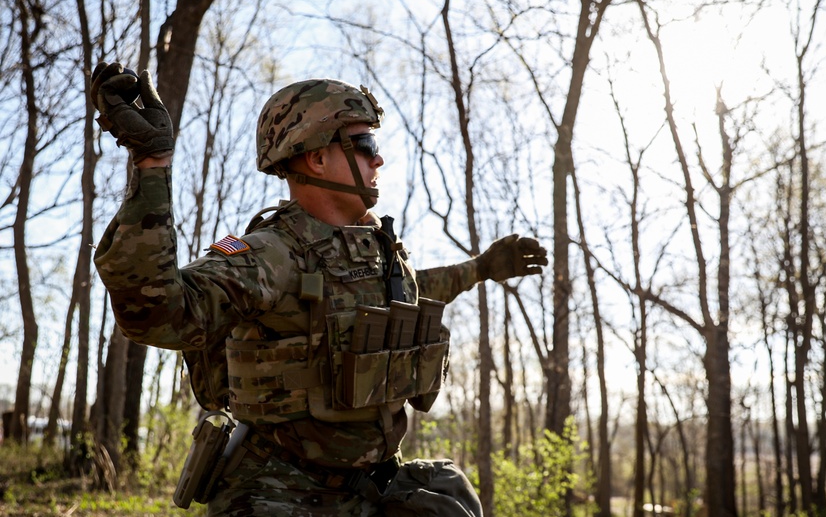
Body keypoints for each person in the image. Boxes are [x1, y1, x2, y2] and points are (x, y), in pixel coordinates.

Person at [90, 63, 548, 516]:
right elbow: (158, 314)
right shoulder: (269, 253)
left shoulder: (376, 248)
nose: (378, 158)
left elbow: (412, 292)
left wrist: (481, 268)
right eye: (365, 144)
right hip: (279, 492)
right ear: (317, 157)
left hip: (370, 486)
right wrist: (152, 164)